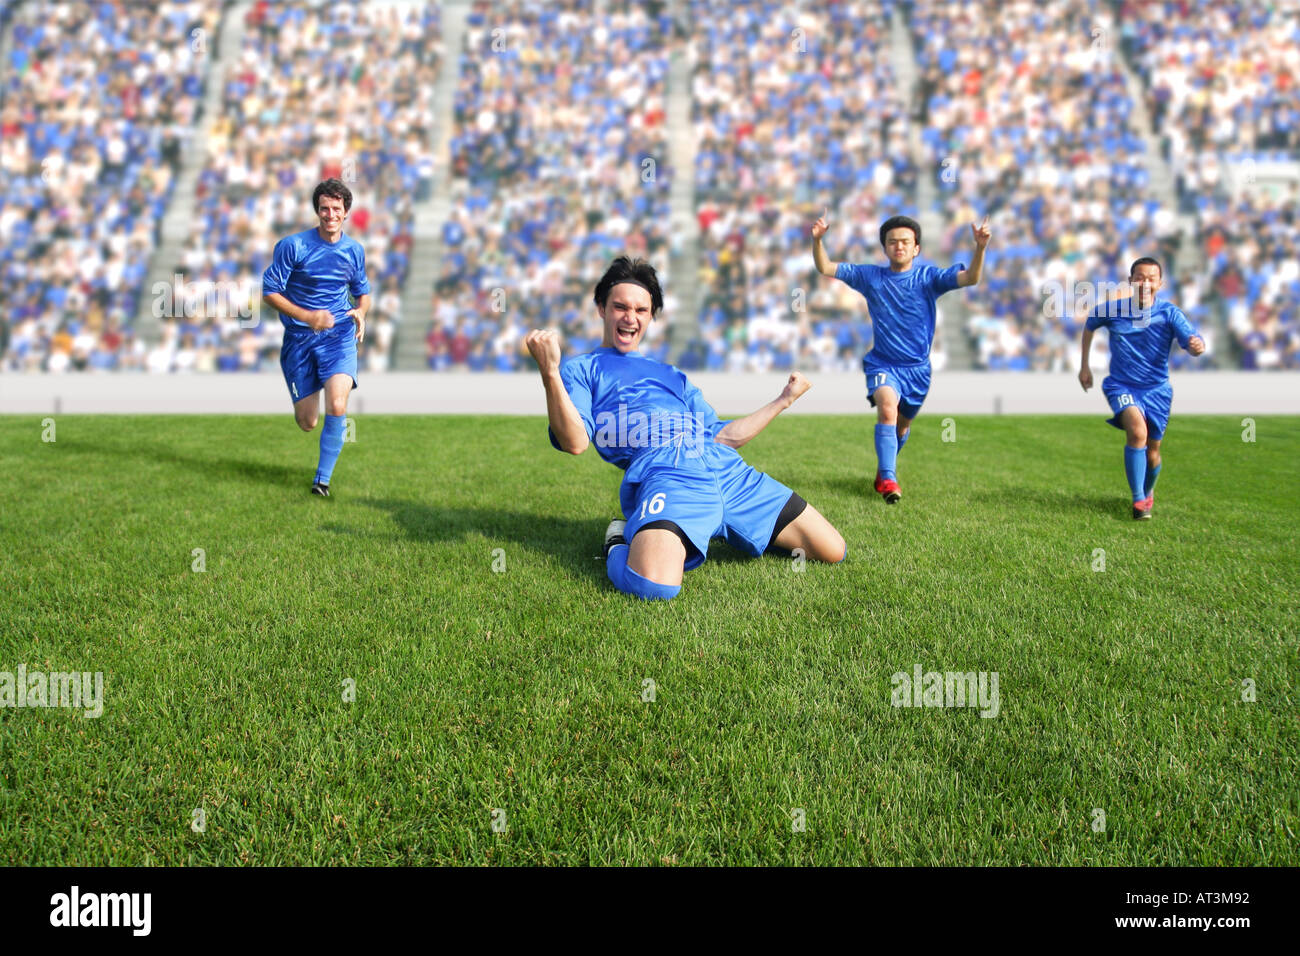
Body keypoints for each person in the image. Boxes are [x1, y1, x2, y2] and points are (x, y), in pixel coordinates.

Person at [526, 256, 846, 601]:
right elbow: (574, 441)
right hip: (667, 472)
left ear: (650, 316)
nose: (630, 318)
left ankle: (714, 524)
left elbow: (724, 437)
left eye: (641, 310)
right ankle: (619, 540)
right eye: (619, 307)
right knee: (653, 585)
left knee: (832, 549)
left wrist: (783, 399)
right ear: (601, 308)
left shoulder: (673, 375)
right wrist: (550, 374)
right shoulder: (582, 370)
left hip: (725, 470)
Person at [813, 212, 990, 502]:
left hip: (918, 370)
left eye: (905, 242)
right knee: (886, 409)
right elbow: (825, 266)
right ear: (884, 247)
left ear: (916, 248)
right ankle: (889, 480)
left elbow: (971, 277)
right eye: (892, 241)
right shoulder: (870, 277)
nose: (899, 246)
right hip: (883, 363)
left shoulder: (928, 278)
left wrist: (980, 247)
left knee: (902, 426)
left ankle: (885, 469)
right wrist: (818, 240)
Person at [261, 178, 370, 496]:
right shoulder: (292, 246)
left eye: (337, 208)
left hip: (339, 337)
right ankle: (311, 391)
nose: (330, 214)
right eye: (324, 208)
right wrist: (309, 317)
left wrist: (361, 311)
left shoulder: (354, 251)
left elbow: (363, 293)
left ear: (346, 212)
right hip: (299, 340)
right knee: (307, 421)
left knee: (337, 404)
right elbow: (269, 292)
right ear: (317, 211)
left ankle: (322, 481)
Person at [1078, 257, 1206, 519]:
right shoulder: (1113, 310)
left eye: (1151, 278)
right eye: (1139, 277)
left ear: (1160, 283)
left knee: (1153, 452)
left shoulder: (1169, 313)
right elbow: (1090, 324)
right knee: (1138, 433)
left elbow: (1191, 340)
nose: (1145, 283)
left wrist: (1196, 345)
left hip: (1157, 390)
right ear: (1130, 281)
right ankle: (1138, 502)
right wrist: (1085, 366)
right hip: (1121, 385)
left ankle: (1147, 492)